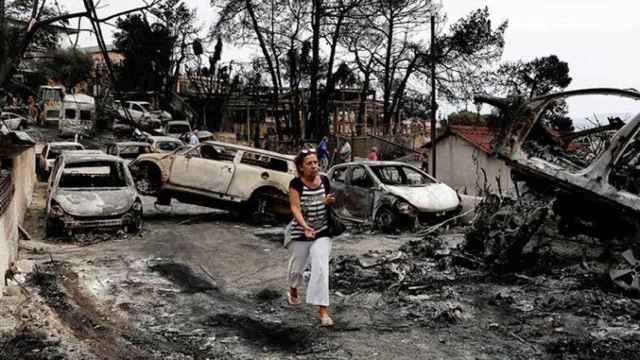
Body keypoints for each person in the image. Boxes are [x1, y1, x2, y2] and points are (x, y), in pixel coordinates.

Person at [286, 148, 336, 327]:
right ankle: (293, 289)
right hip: (301, 232)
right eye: (309, 163)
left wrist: (328, 202)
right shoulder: (296, 184)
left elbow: (326, 201)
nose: (314, 166)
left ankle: (323, 312)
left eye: (316, 162)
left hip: (322, 231)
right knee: (296, 269)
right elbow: (295, 208)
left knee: (321, 267)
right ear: (301, 167)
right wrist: (305, 226)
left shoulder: (324, 180)